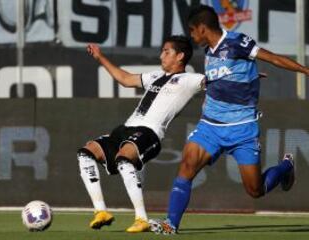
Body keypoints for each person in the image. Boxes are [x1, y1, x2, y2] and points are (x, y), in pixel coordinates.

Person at [150, 5, 309, 235]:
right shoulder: (209, 51)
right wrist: (249, 77)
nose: (192, 37)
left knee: (256, 190)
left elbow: (272, 58)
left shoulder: (237, 42)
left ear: (202, 29)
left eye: (193, 31)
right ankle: (170, 224)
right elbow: (223, 76)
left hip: (242, 129)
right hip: (210, 126)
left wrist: (305, 70)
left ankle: (286, 167)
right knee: (187, 165)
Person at [77, 36, 204, 233]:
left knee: (124, 160)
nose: (161, 55)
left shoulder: (189, 80)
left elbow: (214, 82)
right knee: (86, 152)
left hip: (149, 133)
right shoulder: (155, 76)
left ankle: (141, 218)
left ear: (180, 56)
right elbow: (125, 79)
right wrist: (100, 57)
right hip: (126, 129)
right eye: (162, 50)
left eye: (166, 51)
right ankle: (101, 212)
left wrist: (244, 78)